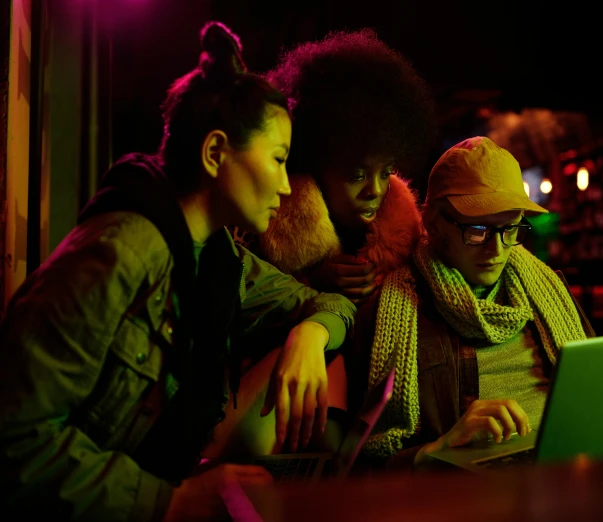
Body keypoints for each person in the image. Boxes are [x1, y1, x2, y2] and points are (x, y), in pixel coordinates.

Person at [0, 22, 355, 521]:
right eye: (277, 160)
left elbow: (330, 303)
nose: (284, 185)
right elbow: (16, 443)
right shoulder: (118, 253)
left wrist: (311, 336)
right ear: (215, 154)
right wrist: (172, 501)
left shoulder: (215, 255)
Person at [350, 136, 595, 468]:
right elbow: (359, 465)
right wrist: (441, 448)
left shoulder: (550, 290)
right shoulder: (392, 313)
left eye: (510, 229)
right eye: (478, 230)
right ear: (435, 224)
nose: (496, 250)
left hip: (574, 461)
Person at [233, 29, 436, 307]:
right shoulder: (257, 231)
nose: (375, 190)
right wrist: (309, 283)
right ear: (315, 165)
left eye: (386, 172)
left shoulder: (416, 245)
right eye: (357, 175)